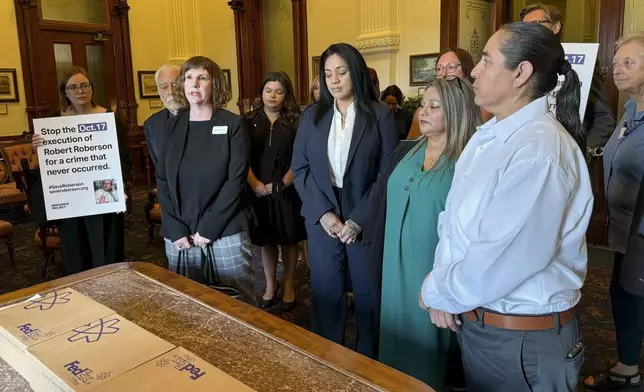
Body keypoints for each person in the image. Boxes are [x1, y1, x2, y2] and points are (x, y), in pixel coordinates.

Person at [419, 22, 593, 392]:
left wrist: (436, 289)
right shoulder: (493, 136)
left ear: (521, 73)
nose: (475, 72)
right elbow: (456, 227)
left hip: (521, 341)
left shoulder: (538, 151)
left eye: (485, 60)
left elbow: (502, 256)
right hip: (487, 325)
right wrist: (448, 293)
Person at [364, 77, 479, 389]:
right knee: (392, 340)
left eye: (434, 106)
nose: (423, 112)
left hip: (433, 274)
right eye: (422, 105)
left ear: (455, 111)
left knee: (429, 353)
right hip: (393, 268)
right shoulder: (408, 150)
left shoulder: (468, 161)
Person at [292, 43, 397, 358]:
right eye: (327, 74)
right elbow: (300, 169)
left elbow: (387, 173)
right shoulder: (312, 115)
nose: (333, 80)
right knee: (326, 293)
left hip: (363, 211)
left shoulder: (379, 115)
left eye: (341, 72)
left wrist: (358, 220)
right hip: (323, 211)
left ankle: (369, 364)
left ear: (356, 72)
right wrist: (322, 213)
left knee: (367, 296)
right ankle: (328, 361)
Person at [156, 56, 254, 302]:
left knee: (235, 308)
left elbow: (236, 180)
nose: (194, 84)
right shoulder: (173, 125)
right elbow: (162, 180)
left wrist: (209, 227)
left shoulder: (232, 124)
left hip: (224, 229)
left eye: (202, 78)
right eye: (188, 78)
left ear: (215, 84)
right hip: (180, 233)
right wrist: (175, 228)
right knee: (187, 306)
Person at [584, 32, 644, 390]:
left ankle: (628, 372)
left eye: (628, 63)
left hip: (641, 232)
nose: (616, 70)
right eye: (615, 62)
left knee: (630, 296)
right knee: (622, 294)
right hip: (624, 229)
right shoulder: (630, 110)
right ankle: (627, 364)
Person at [31, 67, 132, 274]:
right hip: (71, 198)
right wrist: (39, 147)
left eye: (85, 85)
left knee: (106, 253)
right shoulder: (52, 121)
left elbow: (124, 159)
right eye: (73, 87)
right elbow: (51, 163)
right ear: (65, 92)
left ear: (92, 89)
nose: (80, 91)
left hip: (103, 195)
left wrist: (119, 185)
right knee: (76, 254)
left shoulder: (110, 119)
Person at [247, 72, 305, 311]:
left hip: (287, 189)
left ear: (286, 95)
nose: (273, 95)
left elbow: (302, 156)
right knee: (266, 241)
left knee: (289, 240)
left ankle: (289, 283)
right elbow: (242, 158)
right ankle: (271, 285)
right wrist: (255, 185)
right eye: (268, 90)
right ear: (261, 93)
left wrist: (282, 183)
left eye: (279, 91)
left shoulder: (296, 121)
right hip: (258, 189)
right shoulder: (248, 120)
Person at [520, 3, 615, 150]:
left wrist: (584, 153)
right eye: (524, 27)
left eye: (535, 24)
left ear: (555, 27)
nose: (529, 32)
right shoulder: (518, 63)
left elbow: (604, 119)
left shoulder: (581, 64)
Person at [143, 64, 185, 169]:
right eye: (164, 86)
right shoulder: (152, 125)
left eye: (175, 84)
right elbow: (159, 167)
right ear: (158, 90)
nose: (171, 92)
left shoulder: (204, 116)